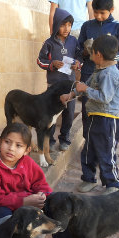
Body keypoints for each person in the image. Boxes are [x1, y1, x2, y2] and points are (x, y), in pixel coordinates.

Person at [60, 35, 119, 195]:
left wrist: (85, 90)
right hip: (93, 117)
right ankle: (89, 179)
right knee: (89, 150)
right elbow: (85, 85)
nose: (91, 56)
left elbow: (104, 98)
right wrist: (72, 94)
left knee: (106, 152)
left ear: (98, 55)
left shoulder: (109, 74)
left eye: (92, 53)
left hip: (107, 120)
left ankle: (112, 183)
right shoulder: (99, 70)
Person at [77, 0, 119, 131]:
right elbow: (79, 48)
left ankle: (103, 140)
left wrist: (107, 60)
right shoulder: (87, 26)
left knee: (105, 108)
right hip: (88, 72)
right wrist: (85, 52)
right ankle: (88, 141)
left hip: (107, 76)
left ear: (111, 10)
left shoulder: (118, 27)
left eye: (102, 13)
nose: (98, 16)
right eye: (95, 12)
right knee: (87, 109)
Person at [37, 8, 82, 151]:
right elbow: (40, 61)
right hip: (54, 85)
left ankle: (65, 139)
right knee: (52, 114)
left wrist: (77, 64)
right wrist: (52, 64)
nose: (66, 28)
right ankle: (49, 140)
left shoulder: (74, 41)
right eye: (63, 25)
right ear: (56, 25)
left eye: (69, 25)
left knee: (69, 113)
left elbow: (80, 57)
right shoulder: (49, 43)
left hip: (69, 85)